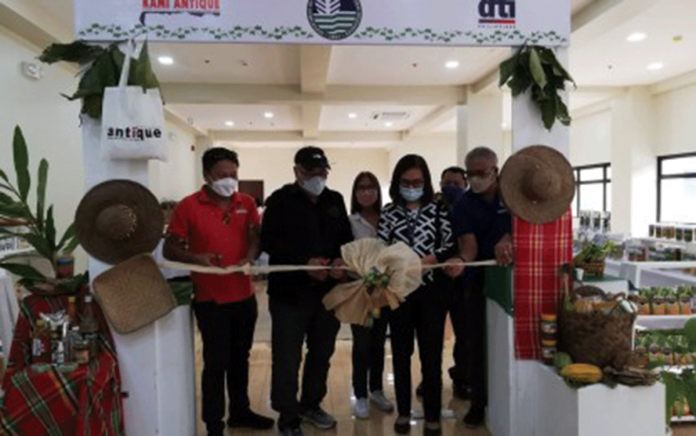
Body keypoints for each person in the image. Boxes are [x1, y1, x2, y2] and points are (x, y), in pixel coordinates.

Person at [163, 148, 274, 436]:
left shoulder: (246, 202)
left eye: (233, 175)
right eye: (222, 175)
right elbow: (169, 247)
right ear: (207, 176)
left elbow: (255, 238)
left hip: (244, 296)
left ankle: (240, 412)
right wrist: (196, 259)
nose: (229, 180)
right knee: (216, 362)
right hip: (210, 299)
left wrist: (250, 257)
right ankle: (214, 423)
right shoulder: (188, 206)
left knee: (241, 358)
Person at [261, 146, 353, 436]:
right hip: (289, 294)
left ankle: (311, 404)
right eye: (310, 172)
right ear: (297, 172)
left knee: (322, 352)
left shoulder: (335, 200)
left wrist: (340, 261)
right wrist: (304, 263)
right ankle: (288, 416)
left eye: (322, 172)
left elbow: (345, 241)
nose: (317, 177)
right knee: (287, 356)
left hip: (327, 294)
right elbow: (268, 242)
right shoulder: (279, 200)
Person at [378, 154, 465, 435]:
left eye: (417, 182)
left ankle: (432, 417)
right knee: (401, 355)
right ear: (397, 182)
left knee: (431, 357)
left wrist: (429, 260)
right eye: (406, 182)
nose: (411, 186)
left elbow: (451, 244)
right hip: (399, 294)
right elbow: (381, 248)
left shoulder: (439, 209)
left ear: (426, 182)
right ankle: (403, 412)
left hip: (432, 294)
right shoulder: (389, 212)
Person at [453, 147, 513, 429]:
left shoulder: (514, 196)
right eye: (471, 174)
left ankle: (510, 395)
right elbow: (469, 245)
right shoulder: (463, 204)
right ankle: (479, 402)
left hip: (513, 279)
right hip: (477, 280)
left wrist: (510, 236)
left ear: (496, 171)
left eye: (482, 173)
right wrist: (461, 261)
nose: (477, 179)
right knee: (476, 342)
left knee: (508, 339)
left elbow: (529, 226)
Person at [417, 165, 471, 400]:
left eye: (456, 184)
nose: (450, 187)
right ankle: (429, 380)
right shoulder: (430, 207)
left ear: (465, 184)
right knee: (431, 338)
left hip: (463, 282)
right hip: (433, 283)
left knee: (464, 336)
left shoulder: (470, 206)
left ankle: (461, 379)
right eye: (446, 182)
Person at [348, 171, 394, 419]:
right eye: (362, 188)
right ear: (355, 193)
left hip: (384, 292)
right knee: (362, 344)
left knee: (378, 342)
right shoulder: (351, 222)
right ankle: (361, 394)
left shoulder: (387, 219)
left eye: (371, 188)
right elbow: (348, 257)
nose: (367, 192)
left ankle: (376, 389)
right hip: (361, 293)